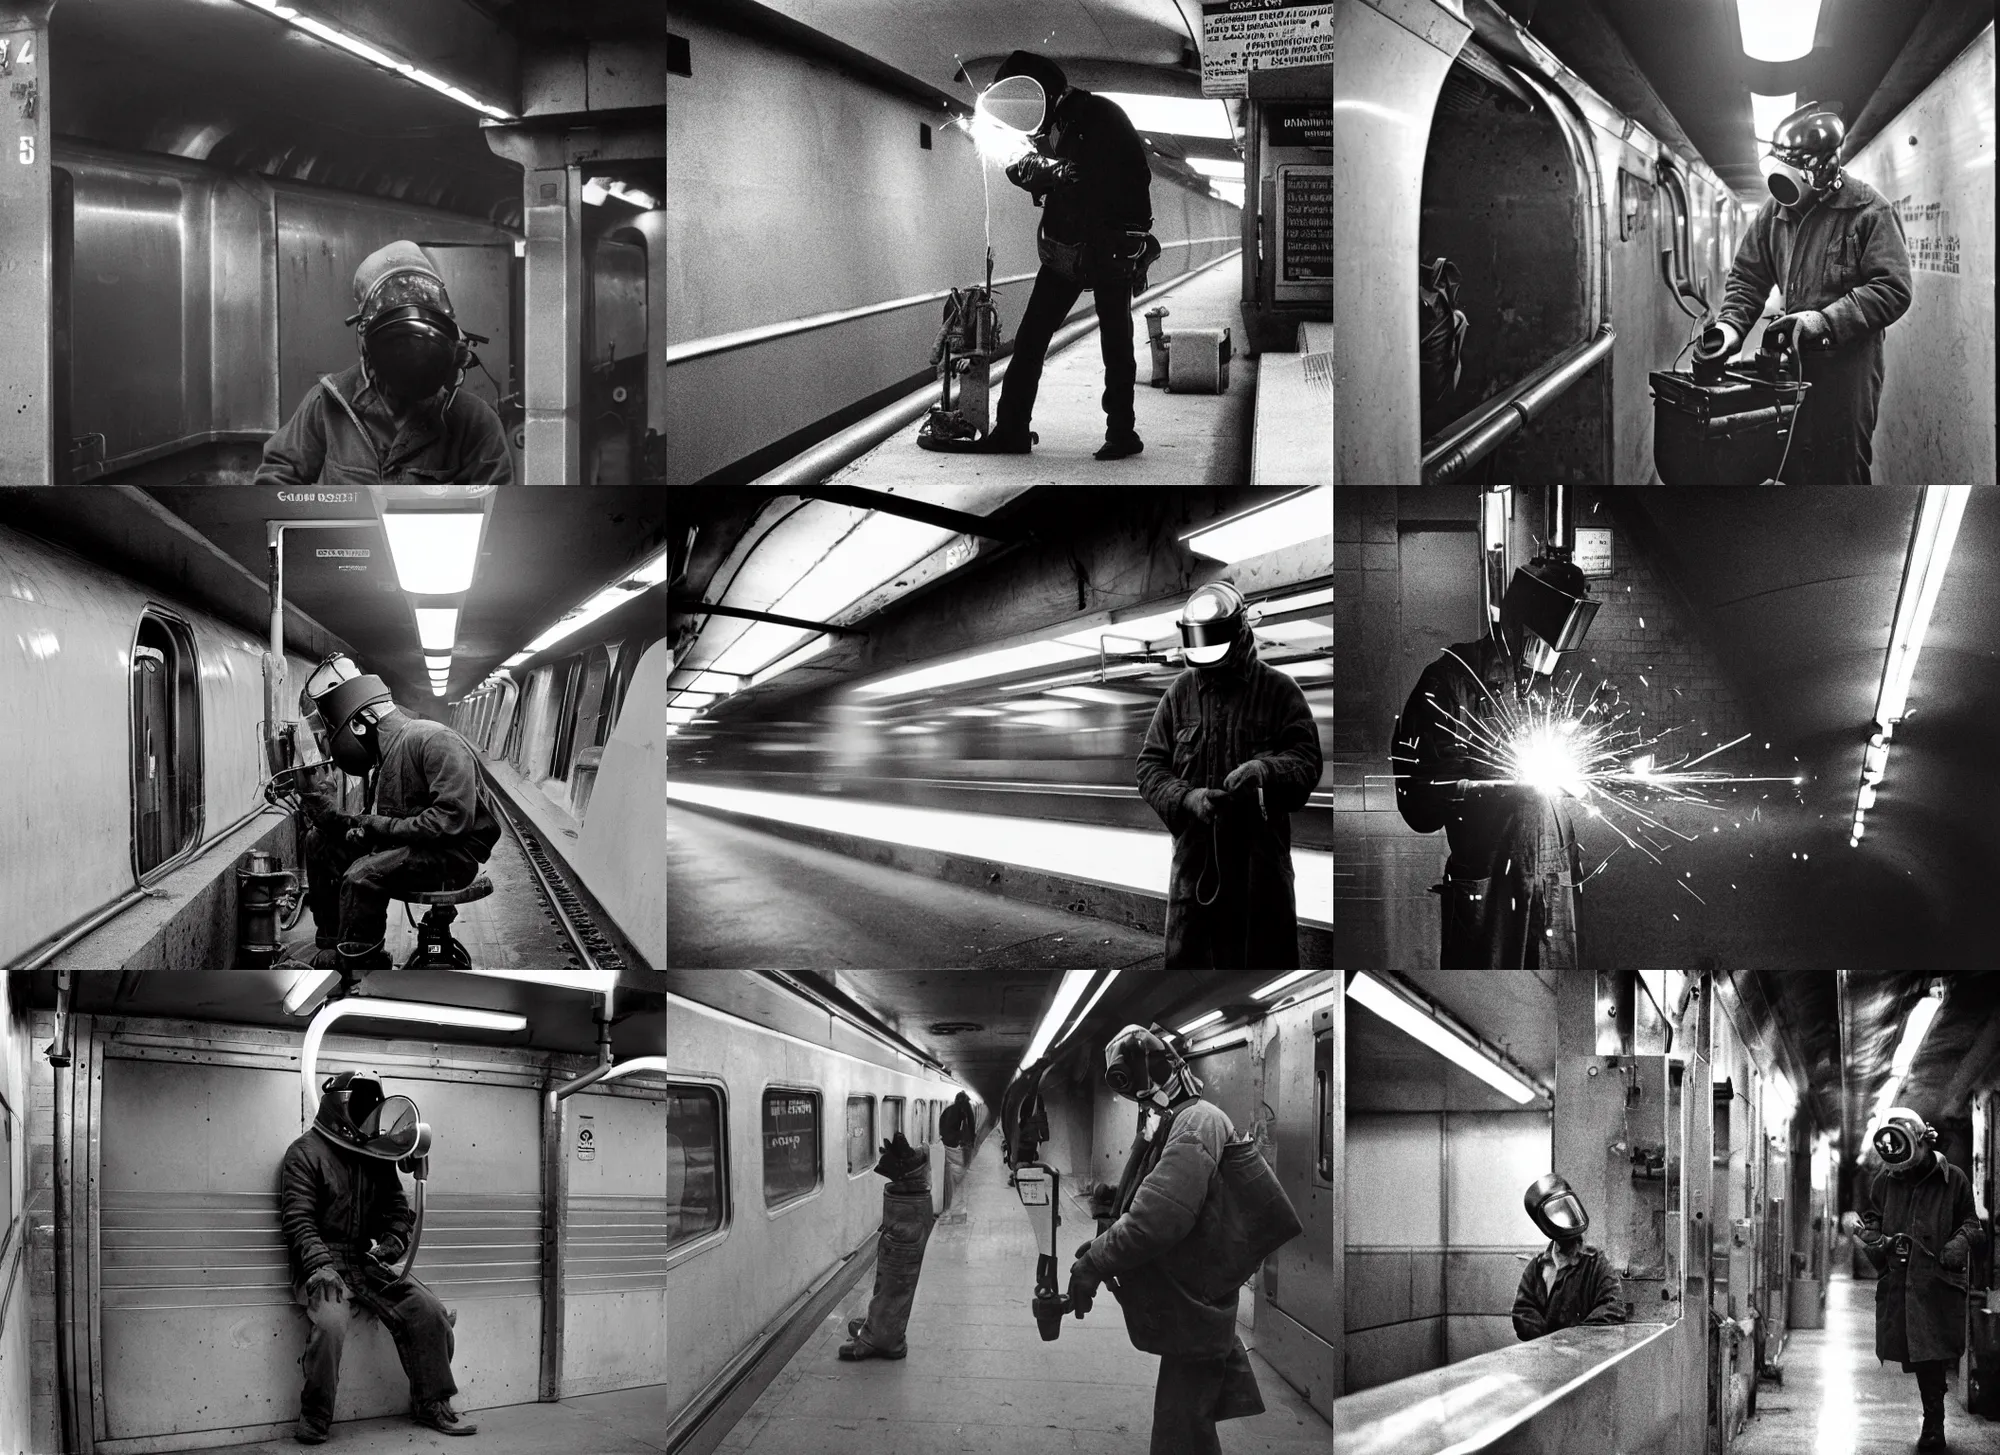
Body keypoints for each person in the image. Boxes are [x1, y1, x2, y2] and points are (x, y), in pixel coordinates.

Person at [1392, 556, 1597, 968]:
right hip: (1489, 890)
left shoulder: (1541, 686)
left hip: (1553, 884)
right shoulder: (1450, 682)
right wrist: (1489, 780)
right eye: (1544, 644)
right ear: (1519, 628)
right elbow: (1417, 802)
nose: (1551, 659)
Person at [1067, 1026, 1263, 1455]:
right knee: (1187, 1426)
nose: (1141, 1101)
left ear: (1158, 1070)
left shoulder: (1197, 1123)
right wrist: (1109, 1213)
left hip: (1199, 1303)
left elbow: (1157, 1219)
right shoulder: (1176, 1119)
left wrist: (1096, 1262)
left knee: (1180, 1434)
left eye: (1140, 1088)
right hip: (1194, 1301)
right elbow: (1152, 1192)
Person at [1693, 102, 1911, 485]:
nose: (1783, 182)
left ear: (1823, 168)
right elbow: (1748, 277)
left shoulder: (1869, 212)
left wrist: (1823, 321)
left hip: (1847, 377)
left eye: (1794, 170)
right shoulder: (1774, 212)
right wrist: (1729, 328)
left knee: (1840, 469)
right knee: (1789, 464)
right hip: (1791, 369)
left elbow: (1892, 288)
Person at [974, 50, 1157, 460]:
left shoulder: (1104, 118)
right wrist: (1049, 172)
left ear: (1044, 94)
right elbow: (1020, 167)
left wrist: (1064, 174)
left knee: (1116, 341)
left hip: (1108, 247)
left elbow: (1121, 181)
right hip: (1065, 249)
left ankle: (1122, 433)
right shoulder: (1042, 126)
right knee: (1031, 338)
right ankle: (1012, 430)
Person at [279, 1071, 476, 1442]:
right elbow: (299, 1221)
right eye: (362, 1109)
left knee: (429, 1311)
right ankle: (315, 1416)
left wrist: (392, 1243)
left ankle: (432, 1403)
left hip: (368, 1260)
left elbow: (398, 1212)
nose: (370, 1118)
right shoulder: (304, 1154)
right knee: (331, 1322)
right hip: (324, 1264)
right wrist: (319, 1266)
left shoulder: (377, 1154)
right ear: (342, 1109)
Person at [1136, 581, 1325, 969]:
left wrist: (1265, 770)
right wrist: (1187, 798)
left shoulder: (1278, 690)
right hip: (1197, 876)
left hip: (1260, 877)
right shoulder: (1178, 695)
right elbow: (1149, 766)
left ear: (1239, 633)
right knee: (1192, 973)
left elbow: (1307, 760)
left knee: (1259, 965)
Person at [297, 653, 500, 970]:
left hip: (453, 855)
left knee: (363, 876)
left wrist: (379, 827)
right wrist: (329, 816)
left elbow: (450, 820)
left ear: (359, 723)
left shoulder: (434, 739)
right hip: (414, 846)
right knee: (320, 841)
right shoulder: (386, 754)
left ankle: (361, 967)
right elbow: (377, 824)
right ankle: (331, 948)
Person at [255, 241, 514, 486]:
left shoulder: (475, 421)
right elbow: (275, 483)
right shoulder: (328, 403)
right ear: (368, 342)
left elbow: (495, 515)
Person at [1855, 1108, 1981, 1451]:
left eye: (1910, 1164)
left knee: (1932, 1357)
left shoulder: (1954, 1179)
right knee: (1918, 1353)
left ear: (1925, 1142)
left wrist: (1959, 1242)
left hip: (1937, 1283)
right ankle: (1932, 1422)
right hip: (1902, 1283)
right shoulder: (1886, 1179)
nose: (1905, 1173)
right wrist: (1874, 1237)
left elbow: (1972, 1224)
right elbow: (1875, 1218)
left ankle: (1933, 1425)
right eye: (1900, 1169)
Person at [839, 1134, 937, 1361]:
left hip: (908, 1217)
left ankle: (883, 1339)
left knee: (896, 1276)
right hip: (910, 1213)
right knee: (893, 1275)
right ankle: (881, 1324)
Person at [1512, 1173, 1626, 1340]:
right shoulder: (1538, 1267)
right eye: (1557, 1212)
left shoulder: (1595, 1263)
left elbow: (1613, 1308)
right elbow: (1522, 1313)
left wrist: (1575, 1340)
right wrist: (1550, 1342)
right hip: (1547, 1357)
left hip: (1586, 1357)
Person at [938, 1091, 975, 1210]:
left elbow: (943, 1130)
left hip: (947, 1146)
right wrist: (963, 1142)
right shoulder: (962, 1112)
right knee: (958, 1176)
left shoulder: (948, 1110)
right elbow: (967, 1131)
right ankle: (956, 1206)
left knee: (950, 1178)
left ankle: (950, 1204)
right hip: (955, 1148)